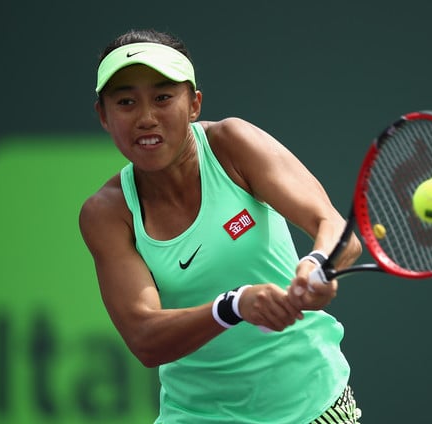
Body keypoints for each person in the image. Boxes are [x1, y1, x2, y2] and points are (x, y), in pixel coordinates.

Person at [79, 28, 363, 424]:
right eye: (126, 102)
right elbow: (145, 337)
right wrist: (233, 306)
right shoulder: (107, 213)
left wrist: (318, 263)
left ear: (194, 104)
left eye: (163, 98)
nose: (146, 118)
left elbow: (333, 226)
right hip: (198, 416)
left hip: (312, 404)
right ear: (104, 117)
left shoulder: (231, 144)